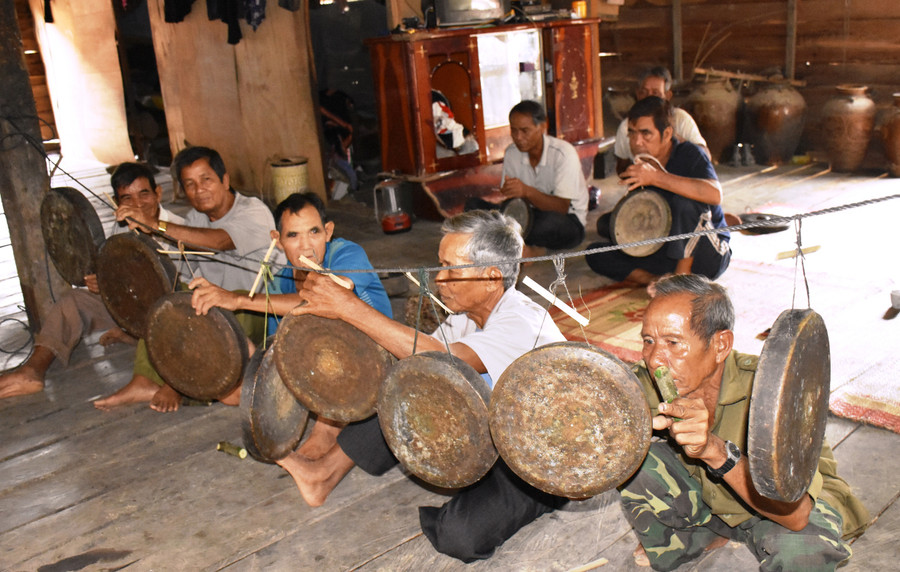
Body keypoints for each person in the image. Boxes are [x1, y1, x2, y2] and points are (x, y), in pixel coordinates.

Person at [276, 210, 569, 562]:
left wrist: (351, 309)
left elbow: (443, 357)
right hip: (489, 434)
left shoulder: (521, 320)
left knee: (458, 537)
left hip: (538, 459)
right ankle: (322, 474)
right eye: (439, 265)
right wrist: (348, 311)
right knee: (401, 385)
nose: (439, 278)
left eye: (450, 268)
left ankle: (488, 498)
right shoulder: (463, 319)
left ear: (492, 277)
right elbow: (410, 361)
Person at [623, 274, 869, 571]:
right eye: (648, 341)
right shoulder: (643, 381)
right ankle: (703, 535)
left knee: (802, 549)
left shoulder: (772, 391)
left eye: (674, 342)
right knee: (628, 454)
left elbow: (796, 514)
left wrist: (715, 451)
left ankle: (740, 532)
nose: (656, 359)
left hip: (789, 508)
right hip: (715, 499)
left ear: (720, 344)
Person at [188, 191, 391, 451]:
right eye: (293, 235)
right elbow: (282, 343)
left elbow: (325, 298)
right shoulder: (282, 279)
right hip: (322, 361)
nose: (306, 246)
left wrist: (238, 300)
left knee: (326, 336)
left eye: (314, 232)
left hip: (375, 356)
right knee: (250, 377)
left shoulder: (346, 254)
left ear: (328, 232)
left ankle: (325, 431)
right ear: (278, 240)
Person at [94, 146, 276, 412]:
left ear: (225, 180)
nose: (199, 189)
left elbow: (220, 241)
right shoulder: (194, 220)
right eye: (189, 184)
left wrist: (157, 225)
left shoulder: (253, 210)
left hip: (254, 310)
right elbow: (172, 269)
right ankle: (144, 380)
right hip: (216, 308)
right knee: (163, 295)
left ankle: (175, 384)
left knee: (211, 308)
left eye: (206, 180)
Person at [0, 163, 184, 400]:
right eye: (126, 198)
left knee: (164, 316)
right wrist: (104, 284)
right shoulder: (122, 232)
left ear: (158, 193)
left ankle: (133, 339)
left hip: (170, 315)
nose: (137, 204)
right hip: (132, 309)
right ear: (117, 203)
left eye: (144, 194)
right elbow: (122, 281)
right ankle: (32, 370)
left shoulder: (180, 227)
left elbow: (173, 288)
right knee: (75, 300)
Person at [586, 97, 731, 285]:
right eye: (632, 133)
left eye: (646, 134)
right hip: (666, 248)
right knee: (597, 250)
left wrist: (655, 177)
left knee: (684, 204)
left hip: (707, 255)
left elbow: (715, 194)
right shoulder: (642, 161)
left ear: (667, 133)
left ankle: (679, 282)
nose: (637, 142)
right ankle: (656, 281)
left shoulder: (690, 153)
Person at [465, 100, 589, 255]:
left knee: (548, 224)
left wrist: (526, 191)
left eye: (525, 131)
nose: (518, 137)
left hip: (567, 220)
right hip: (527, 215)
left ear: (543, 127)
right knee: (474, 207)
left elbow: (561, 208)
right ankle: (514, 243)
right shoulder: (512, 152)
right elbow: (513, 202)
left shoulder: (563, 153)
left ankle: (525, 248)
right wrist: (510, 194)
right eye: (514, 130)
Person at [614, 66, 709, 174]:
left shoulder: (681, 119)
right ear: (638, 94)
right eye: (644, 92)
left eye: (655, 93)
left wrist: (675, 142)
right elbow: (621, 168)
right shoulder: (626, 126)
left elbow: (705, 157)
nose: (649, 98)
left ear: (667, 96)